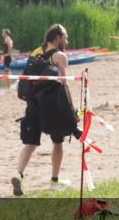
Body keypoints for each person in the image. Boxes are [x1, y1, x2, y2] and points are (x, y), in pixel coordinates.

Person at [12, 23, 79, 195]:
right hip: (52, 106)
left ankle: (18, 175)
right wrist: (72, 111)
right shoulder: (60, 56)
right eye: (65, 36)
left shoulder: (35, 53)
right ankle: (54, 181)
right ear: (57, 37)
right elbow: (64, 84)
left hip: (33, 103)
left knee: (31, 142)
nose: (67, 40)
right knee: (57, 142)